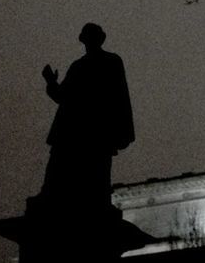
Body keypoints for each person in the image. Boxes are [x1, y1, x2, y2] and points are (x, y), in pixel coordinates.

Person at [39, 22, 134, 208]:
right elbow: (62, 96)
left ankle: (89, 202)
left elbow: (119, 95)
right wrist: (51, 82)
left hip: (94, 129)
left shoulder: (107, 62)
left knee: (93, 170)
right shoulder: (81, 65)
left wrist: (52, 83)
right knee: (65, 167)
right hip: (78, 130)